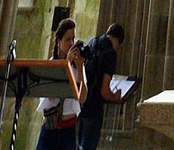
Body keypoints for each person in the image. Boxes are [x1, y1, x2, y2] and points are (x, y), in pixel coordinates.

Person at [77, 22, 129, 150]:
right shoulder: (110, 54)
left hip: (80, 104)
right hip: (93, 108)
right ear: (117, 40)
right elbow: (104, 90)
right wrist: (116, 96)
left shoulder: (92, 41)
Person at [36, 18, 84, 150]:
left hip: (69, 127)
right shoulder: (51, 65)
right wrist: (66, 65)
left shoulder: (76, 67)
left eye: (73, 39)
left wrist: (79, 67)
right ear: (59, 41)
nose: (71, 43)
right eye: (68, 40)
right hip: (51, 126)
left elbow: (82, 97)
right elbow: (52, 95)